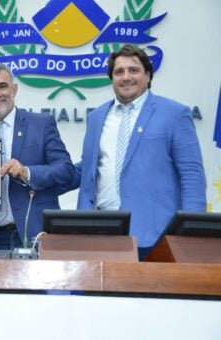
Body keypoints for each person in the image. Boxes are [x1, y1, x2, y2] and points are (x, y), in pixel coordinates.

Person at [66, 44, 206, 259]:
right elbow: (88, 170)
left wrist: (193, 232)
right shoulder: (97, 117)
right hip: (100, 231)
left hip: (156, 235)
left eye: (134, 70)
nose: (126, 77)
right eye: (118, 72)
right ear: (111, 78)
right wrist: (34, 175)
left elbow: (192, 175)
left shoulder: (175, 114)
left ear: (148, 75)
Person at [0, 64, 75, 251]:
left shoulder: (41, 124)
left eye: (3, 86)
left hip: (35, 235)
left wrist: (27, 172)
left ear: (14, 90)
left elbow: (66, 170)